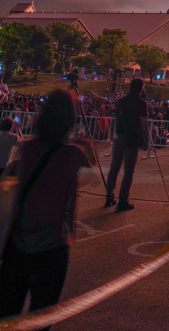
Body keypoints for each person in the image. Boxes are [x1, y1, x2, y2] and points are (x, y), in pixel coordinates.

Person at [0, 90, 95, 329]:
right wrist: (87, 146)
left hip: (18, 244)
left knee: (7, 314)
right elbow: (91, 177)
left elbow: (9, 182)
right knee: (42, 318)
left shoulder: (25, 149)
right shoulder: (74, 154)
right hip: (53, 246)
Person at [105, 77, 148, 211]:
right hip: (132, 138)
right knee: (128, 171)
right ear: (141, 88)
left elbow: (116, 118)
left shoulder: (121, 101)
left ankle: (109, 195)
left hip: (119, 136)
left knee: (114, 167)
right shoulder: (141, 103)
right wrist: (146, 139)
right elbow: (143, 123)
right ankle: (123, 200)